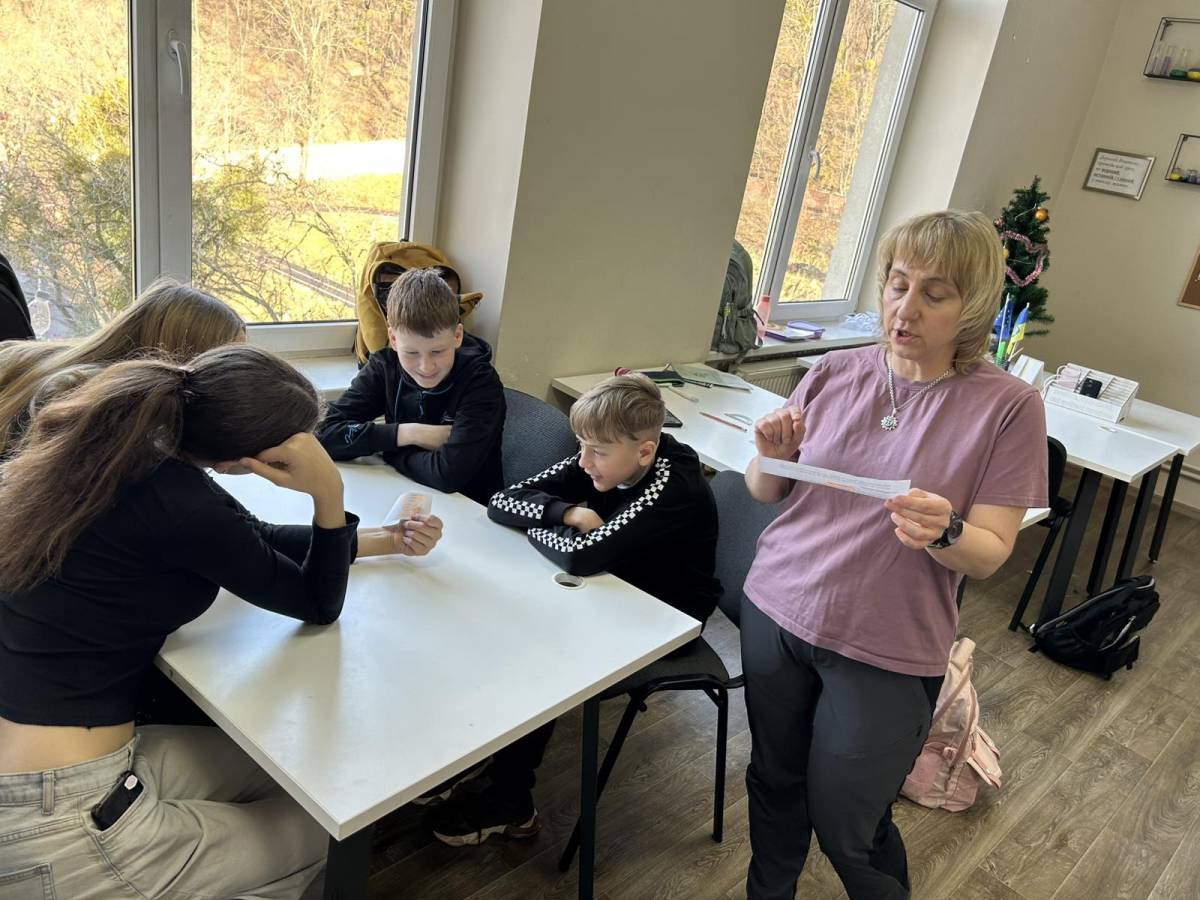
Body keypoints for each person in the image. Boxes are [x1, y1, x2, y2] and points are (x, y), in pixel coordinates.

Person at [0, 345, 444, 900]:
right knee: (330, 834)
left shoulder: (127, 454)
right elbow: (317, 603)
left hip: (45, 767)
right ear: (250, 459)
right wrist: (327, 490)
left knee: (304, 780)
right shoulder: (180, 503)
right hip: (55, 815)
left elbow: (252, 542)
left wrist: (384, 540)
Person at [738, 210, 1048, 900]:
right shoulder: (833, 371)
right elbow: (766, 490)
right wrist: (772, 456)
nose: (905, 309)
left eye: (935, 294)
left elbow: (990, 553)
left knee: (849, 822)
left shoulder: (1008, 407)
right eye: (898, 284)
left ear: (972, 306)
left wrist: (945, 531)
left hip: (887, 645)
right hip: (777, 609)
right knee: (773, 782)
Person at [421, 373, 721, 846]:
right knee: (503, 620)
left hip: (668, 613)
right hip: (613, 583)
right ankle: (479, 753)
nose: (583, 461)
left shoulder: (672, 482)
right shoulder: (604, 453)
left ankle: (511, 799)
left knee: (544, 654)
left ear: (645, 451)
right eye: (582, 446)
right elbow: (503, 502)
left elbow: (580, 556)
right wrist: (568, 514)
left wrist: (565, 536)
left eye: (596, 452)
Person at [317, 267, 505, 504]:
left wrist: (390, 451)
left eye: (438, 351)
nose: (426, 367)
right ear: (394, 339)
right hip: (405, 494)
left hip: (470, 508)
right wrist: (407, 433)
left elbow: (449, 475)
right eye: (412, 353)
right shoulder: (384, 367)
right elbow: (321, 433)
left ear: (457, 336)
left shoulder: (480, 381)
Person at [0, 276, 245, 452]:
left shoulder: (36, 356)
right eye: (228, 360)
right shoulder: (105, 405)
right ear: (185, 355)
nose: (234, 374)